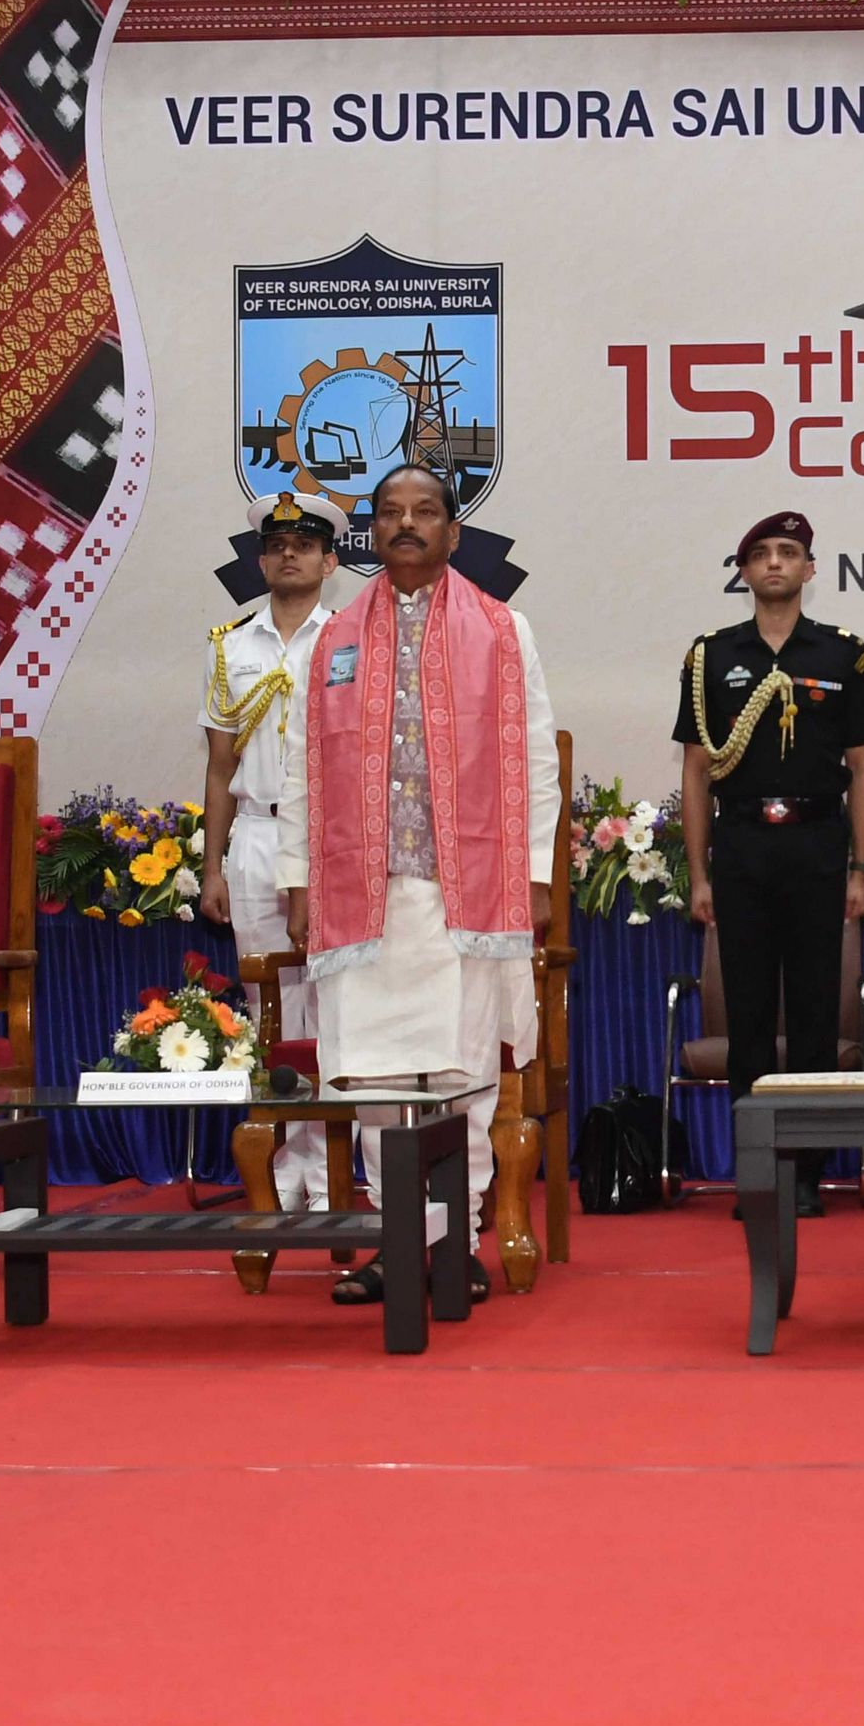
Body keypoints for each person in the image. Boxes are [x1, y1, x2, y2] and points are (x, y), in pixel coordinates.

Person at [279, 463, 560, 1306]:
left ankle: (456, 1243)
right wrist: (297, 878)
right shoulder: (333, 639)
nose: (407, 524)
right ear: (372, 531)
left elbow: (535, 761)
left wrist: (536, 874)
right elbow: (300, 766)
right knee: (372, 1078)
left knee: (459, 1075)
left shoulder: (504, 631)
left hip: (464, 895)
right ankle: (395, 1240)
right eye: (392, 512)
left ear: (452, 531)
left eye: (425, 511)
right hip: (357, 896)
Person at [678, 509, 864, 1220]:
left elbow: (863, 769)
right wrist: (699, 874)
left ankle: (807, 1172)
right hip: (741, 848)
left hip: (817, 845)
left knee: (817, 1015)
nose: (774, 563)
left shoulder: (842, 654)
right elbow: (697, 770)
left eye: (789, 552)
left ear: (809, 569)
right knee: (749, 1018)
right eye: (761, 553)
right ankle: (759, 1170)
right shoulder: (711, 657)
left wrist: (859, 868)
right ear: (743, 571)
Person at [197, 494, 340, 1209]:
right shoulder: (231, 646)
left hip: (328, 840)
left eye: (305, 544)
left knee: (331, 1002)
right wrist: (212, 867)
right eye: (278, 544)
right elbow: (219, 766)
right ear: (261, 561)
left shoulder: (347, 641)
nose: (290, 554)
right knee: (267, 1006)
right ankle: (286, 1159)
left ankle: (330, 1162)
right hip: (255, 833)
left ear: (330, 561)